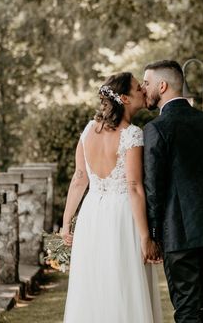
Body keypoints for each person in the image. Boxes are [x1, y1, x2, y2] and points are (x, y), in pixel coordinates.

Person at [61, 72, 163, 323]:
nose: (143, 91)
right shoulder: (133, 134)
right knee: (125, 282)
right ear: (125, 99)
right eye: (139, 88)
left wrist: (66, 224)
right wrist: (145, 237)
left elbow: (79, 179)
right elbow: (134, 186)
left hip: (92, 214)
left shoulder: (87, 131)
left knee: (95, 284)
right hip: (122, 216)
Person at [142, 60, 203, 323]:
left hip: (178, 233)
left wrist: (152, 235)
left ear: (162, 86)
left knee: (187, 311)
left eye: (147, 83)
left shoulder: (156, 129)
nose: (143, 88)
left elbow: (153, 188)